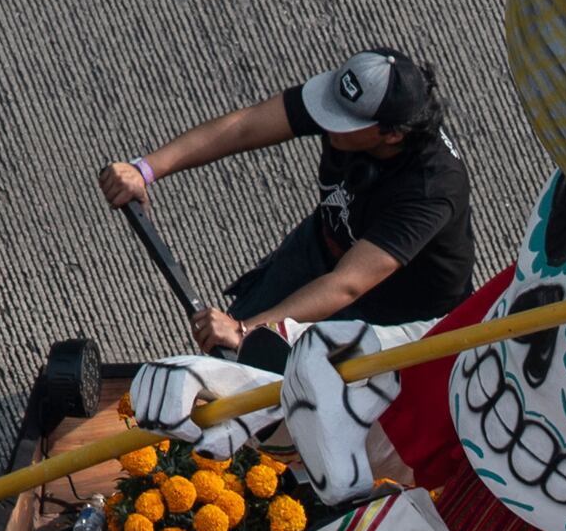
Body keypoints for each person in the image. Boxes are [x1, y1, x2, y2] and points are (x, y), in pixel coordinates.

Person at [96, 50, 476, 367]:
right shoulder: (353, 105)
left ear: (392, 134)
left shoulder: (432, 188)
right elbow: (244, 127)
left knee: (279, 396)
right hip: (323, 247)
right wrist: (145, 169)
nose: (326, 121)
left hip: (387, 315)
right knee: (225, 354)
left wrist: (248, 331)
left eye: (341, 122)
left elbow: (348, 285)